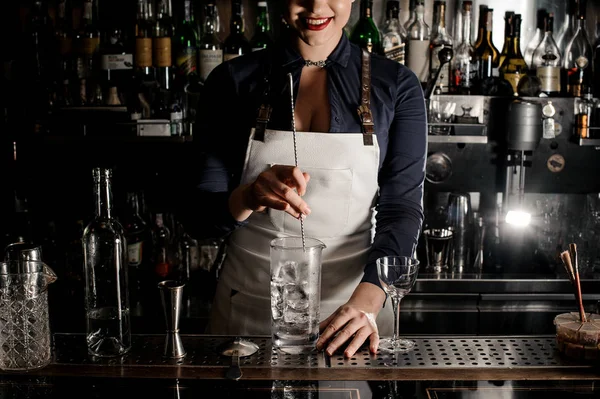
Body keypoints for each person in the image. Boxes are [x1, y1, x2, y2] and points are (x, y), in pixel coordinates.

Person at [185, 0, 426, 358]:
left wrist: (368, 301)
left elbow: (402, 209)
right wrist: (249, 197)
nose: (316, 5)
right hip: (248, 311)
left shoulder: (397, 86)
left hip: (356, 315)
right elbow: (200, 219)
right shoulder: (231, 81)